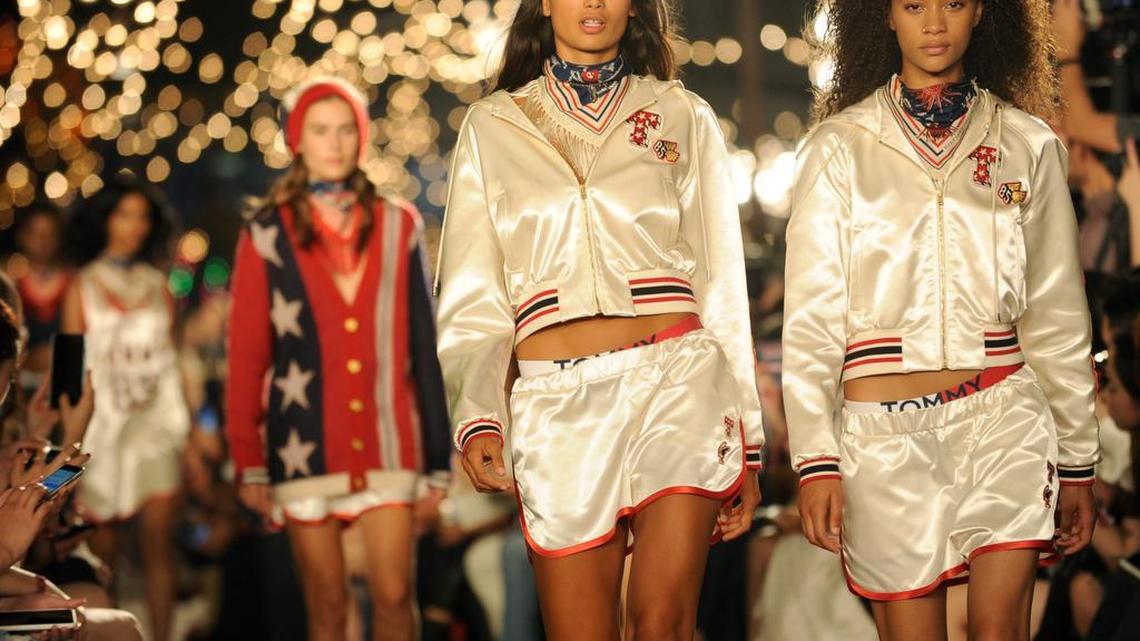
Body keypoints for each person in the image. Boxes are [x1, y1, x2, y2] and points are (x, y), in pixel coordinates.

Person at [434, 1, 764, 638]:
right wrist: (477, 414)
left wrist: (747, 441)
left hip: (677, 380)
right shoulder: (491, 127)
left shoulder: (682, 115)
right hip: (556, 402)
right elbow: (472, 299)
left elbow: (722, 282)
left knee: (663, 622)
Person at [784, 1, 1100, 639]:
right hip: (883, 438)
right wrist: (815, 459)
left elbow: (1057, 312)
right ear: (886, 17)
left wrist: (1077, 462)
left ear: (983, 12)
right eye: (914, 5)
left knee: (998, 629)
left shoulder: (1028, 144)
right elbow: (812, 318)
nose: (934, 22)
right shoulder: (839, 148)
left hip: (1003, 417)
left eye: (953, 3)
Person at [226, 75, 451, 641]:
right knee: (326, 606)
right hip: (301, 443)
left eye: (346, 129)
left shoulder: (399, 224)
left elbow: (425, 348)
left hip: (390, 439)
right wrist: (248, 460)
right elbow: (247, 355)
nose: (335, 142)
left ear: (362, 136)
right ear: (298, 139)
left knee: (396, 596)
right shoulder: (264, 233)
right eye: (321, 130)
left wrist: (437, 461)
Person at [59, 174, 189, 641]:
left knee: (160, 548)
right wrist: (69, 445)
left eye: (142, 217)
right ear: (104, 220)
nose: (133, 226)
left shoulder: (160, 286)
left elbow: (173, 362)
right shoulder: (82, 287)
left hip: (154, 426)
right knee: (104, 556)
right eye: (123, 214)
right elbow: (69, 374)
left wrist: (186, 431)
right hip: (102, 434)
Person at [10, 203, 72, 396]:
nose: (43, 241)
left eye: (50, 234)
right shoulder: (11, 286)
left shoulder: (74, 284)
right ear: (22, 236)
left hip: (63, 388)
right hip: (18, 391)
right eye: (35, 233)